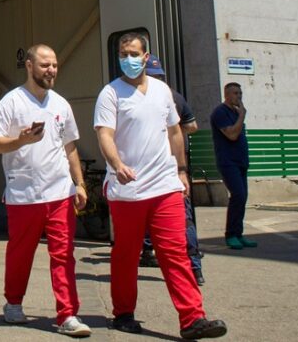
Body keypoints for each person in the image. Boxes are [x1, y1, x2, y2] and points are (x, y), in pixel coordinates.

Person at [95, 33, 227, 339]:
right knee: (126, 255)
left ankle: (192, 318)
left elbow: (175, 132)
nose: (128, 59)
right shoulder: (110, 94)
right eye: (123, 54)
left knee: (175, 252)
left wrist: (181, 170)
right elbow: (104, 134)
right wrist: (117, 164)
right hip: (127, 191)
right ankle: (123, 313)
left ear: (146, 57)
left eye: (133, 53)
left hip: (164, 186)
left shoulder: (162, 90)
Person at [0, 44, 93, 337]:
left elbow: (69, 146)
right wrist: (20, 141)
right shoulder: (11, 103)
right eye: (45, 65)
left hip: (60, 193)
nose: (51, 70)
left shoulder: (61, 104)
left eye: (54, 65)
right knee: (20, 254)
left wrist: (79, 183)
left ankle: (67, 314)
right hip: (24, 196)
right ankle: (13, 303)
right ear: (29, 66)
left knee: (63, 254)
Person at [140, 54, 205, 286]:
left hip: (158, 166)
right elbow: (192, 125)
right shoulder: (174, 95)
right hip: (175, 165)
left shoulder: (143, 96)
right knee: (182, 218)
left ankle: (151, 252)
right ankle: (194, 266)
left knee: (150, 212)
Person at [210, 83, 255, 250]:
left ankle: (238, 233)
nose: (239, 96)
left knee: (242, 198)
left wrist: (240, 114)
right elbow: (232, 135)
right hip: (228, 162)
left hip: (241, 161)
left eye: (240, 93)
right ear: (226, 95)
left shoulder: (236, 112)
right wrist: (242, 115)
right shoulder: (220, 113)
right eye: (235, 93)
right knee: (238, 195)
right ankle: (231, 235)